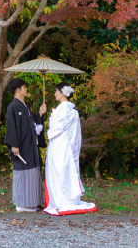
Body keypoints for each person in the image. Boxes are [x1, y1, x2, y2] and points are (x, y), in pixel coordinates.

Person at [43, 82, 97, 216]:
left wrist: (49, 132)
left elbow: (59, 128)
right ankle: (60, 198)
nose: (55, 94)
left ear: (62, 93)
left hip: (62, 146)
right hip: (59, 146)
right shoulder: (64, 109)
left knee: (62, 172)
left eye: (56, 91)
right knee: (61, 172)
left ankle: (63, 199)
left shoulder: (66, 110)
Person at [3, 77, 47, 212]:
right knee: (23, 172)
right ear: (18, 90)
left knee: (32, 171)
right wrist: (13, 145)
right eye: (24, 87)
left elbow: (31, 122)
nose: (26, 89)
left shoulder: (23, 105)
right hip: (21, 146)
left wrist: (40, 114)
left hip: (29, 145)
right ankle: (22, 204)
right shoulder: (13, 106)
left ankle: (32, 202)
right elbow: (11, 127)